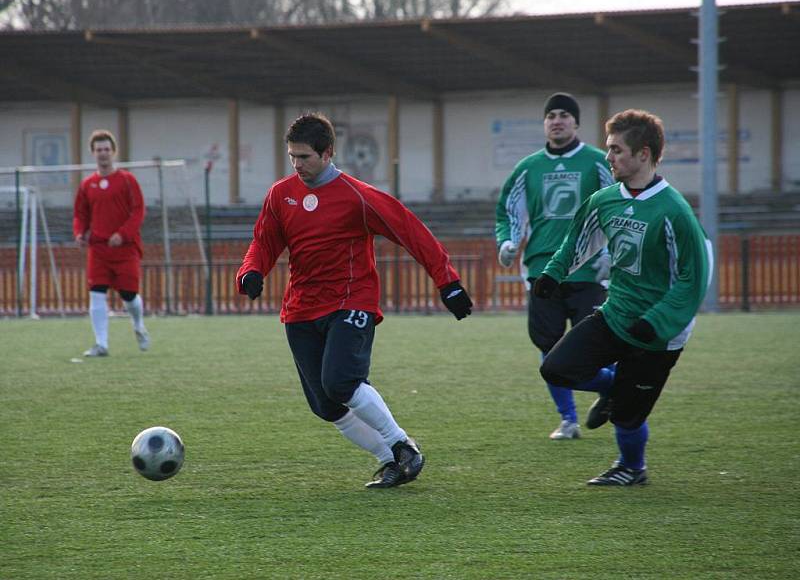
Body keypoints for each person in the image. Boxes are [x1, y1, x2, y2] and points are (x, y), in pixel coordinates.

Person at [237, 112, 472, 489]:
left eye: (305, 157)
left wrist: (449, 283)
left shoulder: (357, 197)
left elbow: (412, 231)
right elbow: (263, 243)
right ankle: (391, 461)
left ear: (328, 152)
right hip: (300, 309)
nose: (297, 165)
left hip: (351, 302)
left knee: (341, 381)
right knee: (325, 405)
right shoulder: (280, 195)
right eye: (292, 157)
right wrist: (251, 272)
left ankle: (402, 445)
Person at [536, 109, 712, 485]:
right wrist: (553, 273)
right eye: (608, 148)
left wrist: (658, 322)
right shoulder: (604, 200)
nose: (608, 157)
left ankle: (632, 468)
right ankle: (613, 388)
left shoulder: (674, 211)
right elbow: (576, 243)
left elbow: (692, 280)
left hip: (658, 333)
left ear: (643, 154)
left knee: (629, 417)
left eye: (616, 150)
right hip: (615, 315)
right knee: (556, 368)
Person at [495, 92, 616, 440]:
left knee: (591, 348)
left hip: (589, 270)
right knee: (549, 349)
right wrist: (508, 242)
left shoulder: (597, 161)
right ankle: (569, 419)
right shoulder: (528, 167)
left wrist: (612, 252)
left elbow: (619, 203)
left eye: (564, 114)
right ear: (544, 123)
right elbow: (509, 210)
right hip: (542, 270)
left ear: (576, 123)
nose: (557, 120)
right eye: (551, 115)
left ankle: (610, 385)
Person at [73, 130, 150, 357]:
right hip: (98, 248)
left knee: (128, 295)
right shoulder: (87, 185)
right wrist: (79, 233)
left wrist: (123, 234)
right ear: (93, 153)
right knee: (96, 292)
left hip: (125, 248)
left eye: (107, 149)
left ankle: (138, 325)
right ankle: (101, 344)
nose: (103, 154)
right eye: (99, 150)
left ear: (113, 152)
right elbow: (80, 214)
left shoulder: (127, 180)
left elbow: (138, 211)